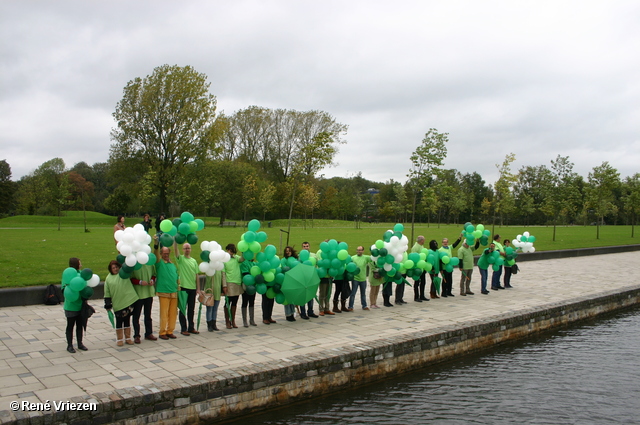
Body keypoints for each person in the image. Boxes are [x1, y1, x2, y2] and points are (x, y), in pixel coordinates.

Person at [104, 260, 139, 346]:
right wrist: (108, 303)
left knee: (127, 319)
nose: (115, 269)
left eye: (116, 267)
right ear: (110, 269)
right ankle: (119, 339)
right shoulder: (108, 279)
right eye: (113, 268)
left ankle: (128, 338)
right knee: (119, 321)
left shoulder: (124, 274)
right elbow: (107, 292)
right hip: (117, 303)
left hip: (127, 301)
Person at [61, 257, 87, 353]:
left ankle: (80, 343)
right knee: (70, 325)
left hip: (80, 304)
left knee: (80, 325)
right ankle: (70, 345)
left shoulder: (81, 274)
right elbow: (64, 289)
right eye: (80, 263)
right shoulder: (68, 275)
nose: (81, 265)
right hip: (71, 305)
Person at [174, 242, 200, 335]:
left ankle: (191, 327)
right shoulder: (180, 259)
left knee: (191, 309)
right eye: (185, 248)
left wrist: (198, 288)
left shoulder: (193, 261)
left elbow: (197, 275)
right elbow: (175, 251)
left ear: (191, 249)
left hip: (192, 288)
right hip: (183, 288)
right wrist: (175, 241)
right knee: (182, 309)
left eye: (188, 248)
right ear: (182, 249)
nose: (187, 250)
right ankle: (183, 328)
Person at [154, 244, 180, 339]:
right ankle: (162, 332)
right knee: (164, 313)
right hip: (163, 291)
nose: (166, 255)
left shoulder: (172, 264)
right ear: (161, 254)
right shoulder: (159, 263)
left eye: (167, 253)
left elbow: (176, 275)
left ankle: (170, 330)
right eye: (164, 253)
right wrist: (156, 245)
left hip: (174, 291)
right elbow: (155, 254)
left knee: (173, 313)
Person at [131, 263, 157, 342]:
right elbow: (130, 278)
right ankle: (136, 335)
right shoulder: (134, 264)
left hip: (148, 292)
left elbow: (154, 274)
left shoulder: (150, 263)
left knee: (148, 314)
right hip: (138, 294)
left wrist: (152, 280)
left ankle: (149, 333)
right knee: (136, 315)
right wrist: (139, 282)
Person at [223, 243, 244, 329]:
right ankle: (227, 321)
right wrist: (224, 285)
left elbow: (242, 259)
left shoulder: (236, 258)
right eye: (229, 250)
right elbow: (223, 273)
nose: (230, 253)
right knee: (228, 302)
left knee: (235, 302)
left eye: (232, 251)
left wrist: (243, 250)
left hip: (237, 282)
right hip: (229, 283)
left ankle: (233, 320)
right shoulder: (224, 260)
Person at [298, 242, 319, 319]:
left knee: (311, 295)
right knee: (302, 296)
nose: (305, 247)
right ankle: (303, 313)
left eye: (307, 246)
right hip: (302, 279)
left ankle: (310, 311)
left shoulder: (313, 255)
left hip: (311, 278)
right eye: (304, 246)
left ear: (309, 247)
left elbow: (316, 265)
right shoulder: (299, 256)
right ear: (302, 247)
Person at [348, 246, 371, 311]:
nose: (359, 251)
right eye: (358, 250)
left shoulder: (366, 258)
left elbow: (373, 258)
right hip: (355, 278)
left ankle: (364, 305)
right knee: (353, 293)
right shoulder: (353, 258)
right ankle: (350, 306)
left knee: (363, 293)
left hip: (363, 279)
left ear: (363, 251)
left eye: (360, 250)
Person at [282, 246, 299, 321]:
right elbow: (284, 268)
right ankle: (288, 314)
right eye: (286, 251)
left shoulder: (295, 259)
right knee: (287, 298)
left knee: (292, 298)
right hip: (286, 280)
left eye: (289, 251)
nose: (288, 252)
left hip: (294, 280)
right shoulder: (283, 260)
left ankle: (292, 313)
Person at [240, 256, 257, 327]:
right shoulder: (244, 264)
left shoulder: (254, 264)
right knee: (245, 302)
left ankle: (252, 319)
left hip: (253, 286)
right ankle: (244, 320)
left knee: (252, 301)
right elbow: (245, 274)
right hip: (246, 286)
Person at [411, 236, 429, 302]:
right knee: (417, 282)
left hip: (422, 267)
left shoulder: (421, 246)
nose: (424, 241)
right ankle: (416, 296)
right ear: (421, 240)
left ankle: (422, 295)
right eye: (423, 240)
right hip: (417, 268)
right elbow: (413, 257)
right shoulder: (415, 247)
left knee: (423, 282)